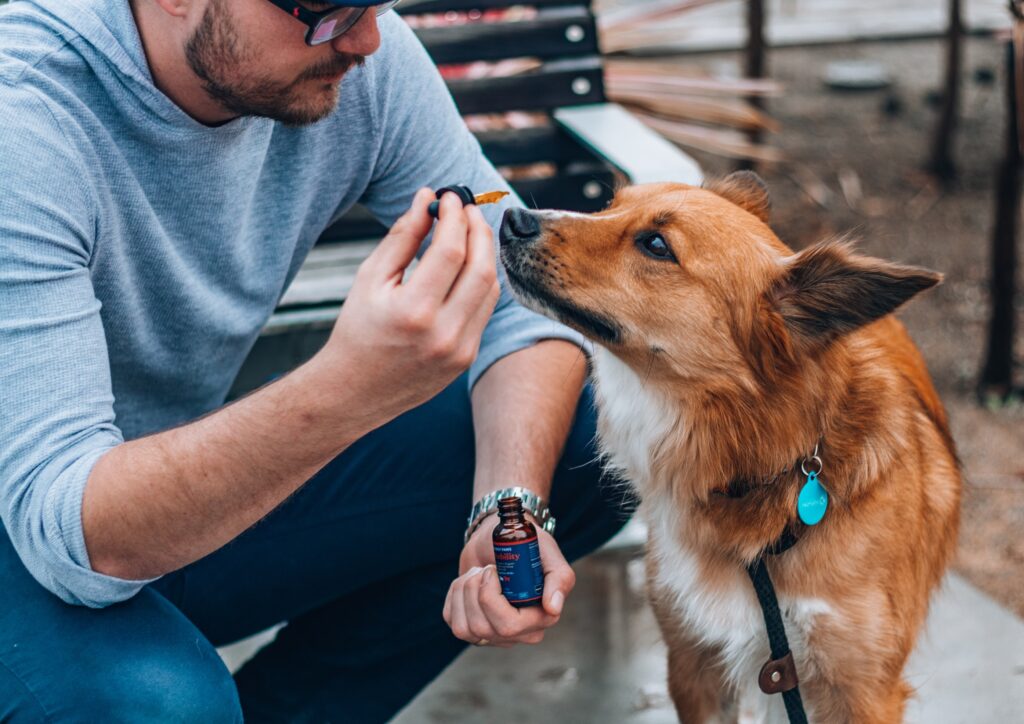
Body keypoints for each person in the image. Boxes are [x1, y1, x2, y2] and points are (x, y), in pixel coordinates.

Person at [0, 0, 628, 720]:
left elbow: (519, 306)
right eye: (328, 9)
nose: (366, 39)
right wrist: (351, 386)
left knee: (590, 449)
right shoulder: (24, 120)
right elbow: (70, 540)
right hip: (38, 526)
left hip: (157, 497)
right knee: (161, 708)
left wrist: (507, 508)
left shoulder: (360, 62)